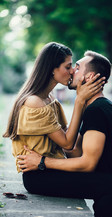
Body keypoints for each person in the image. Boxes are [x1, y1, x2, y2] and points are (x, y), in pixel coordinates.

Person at [7, 50, 112, 217]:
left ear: (89, 77)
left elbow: (81, 158)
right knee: (111, 185)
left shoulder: (96, 109)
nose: (72, 71)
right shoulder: (95, 107)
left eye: (76, 67)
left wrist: (42, 161)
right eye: (69, 66)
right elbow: (73, 150)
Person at [3, 42, 105, 173]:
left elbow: (71, 147)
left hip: (49, 167)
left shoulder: (49, 99)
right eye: (67, 67)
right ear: (52, 69)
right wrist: (80, 100)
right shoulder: (34, 102)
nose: (72, 71)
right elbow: (68, 143)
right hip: (39, 173)